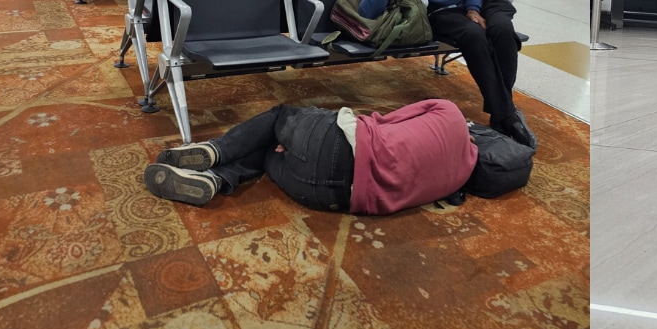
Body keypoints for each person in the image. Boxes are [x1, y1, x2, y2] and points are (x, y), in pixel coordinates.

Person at [361, 0, 535, 148]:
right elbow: (369, 11)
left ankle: (503, 112)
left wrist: (473, 8)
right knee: (473, 36)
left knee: (502, 30)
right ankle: (507, 114)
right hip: (444, 12)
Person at [142, 99, 477, 212]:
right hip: (326, 196)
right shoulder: (459, 177)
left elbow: (382, 120)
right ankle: (215, 179)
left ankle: (216, 151)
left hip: (337, 143)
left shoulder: (448, 111)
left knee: (279, 116)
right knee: (266, 155)